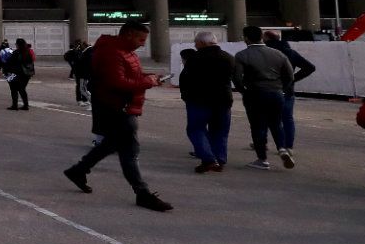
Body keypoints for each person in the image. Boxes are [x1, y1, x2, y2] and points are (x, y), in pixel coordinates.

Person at [63, 22, 172, 211]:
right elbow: (116, 83)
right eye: (141, 39)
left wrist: (150, 77)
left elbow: (129, 75)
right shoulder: (113, 53)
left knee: (111, 144)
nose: (143, 44)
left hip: (121, 106)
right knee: (130, 151)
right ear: (129, 35)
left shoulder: (123, 51)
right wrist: (147, 81)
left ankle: (78, 170)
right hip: (117, 108)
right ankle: (142, 193)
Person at [233, 25, 297, 170]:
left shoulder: (242, 55)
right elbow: (289, 75)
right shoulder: (278, 54)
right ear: (261, 37)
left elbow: (237, 77)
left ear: (246, 38)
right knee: (276, 123)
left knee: (258, 126)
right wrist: (282, 88)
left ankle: (262, 159)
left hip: (255, 94)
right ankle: (282, 148)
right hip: (276, 93)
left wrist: (243, 91)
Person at [178, 32, 237, 173]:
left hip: (199, 100)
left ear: (203, 43)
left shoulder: (195, 58)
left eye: (196, 43)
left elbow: (185, 79)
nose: (194, 45)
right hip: (223, 100)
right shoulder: (228, 58)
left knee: (196, 129)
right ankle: (220, 160)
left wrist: (185, 96)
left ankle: (208, 158)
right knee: (220, 131)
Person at [264, 30, 316, 155]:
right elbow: (310, 67)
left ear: (266, 39)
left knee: (265, 118)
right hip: (287, 89)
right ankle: (288, 146)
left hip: (268, 89)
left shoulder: (265, 52)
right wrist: (292, 79)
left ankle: (263, 143)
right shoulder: (290, 52)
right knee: (287, 118)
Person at [4, 39, 36, 111]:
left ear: (18, 45)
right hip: (26, 75)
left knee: (13, 89)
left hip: (16, 74)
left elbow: (9, 62)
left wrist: (6, 70)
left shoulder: (16, 53)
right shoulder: (28, 52)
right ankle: (25, 105)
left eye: (16, 44)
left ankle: (14, 105)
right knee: (22, 90)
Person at [64, 37, 93, 107]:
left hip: (83, 72)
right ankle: (80, 100)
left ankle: (85, 99)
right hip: (79, 72)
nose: (79, 45)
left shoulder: (84, 51)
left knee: (84, 87)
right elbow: (67, 57)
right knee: (80, 86)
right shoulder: (75, 51)